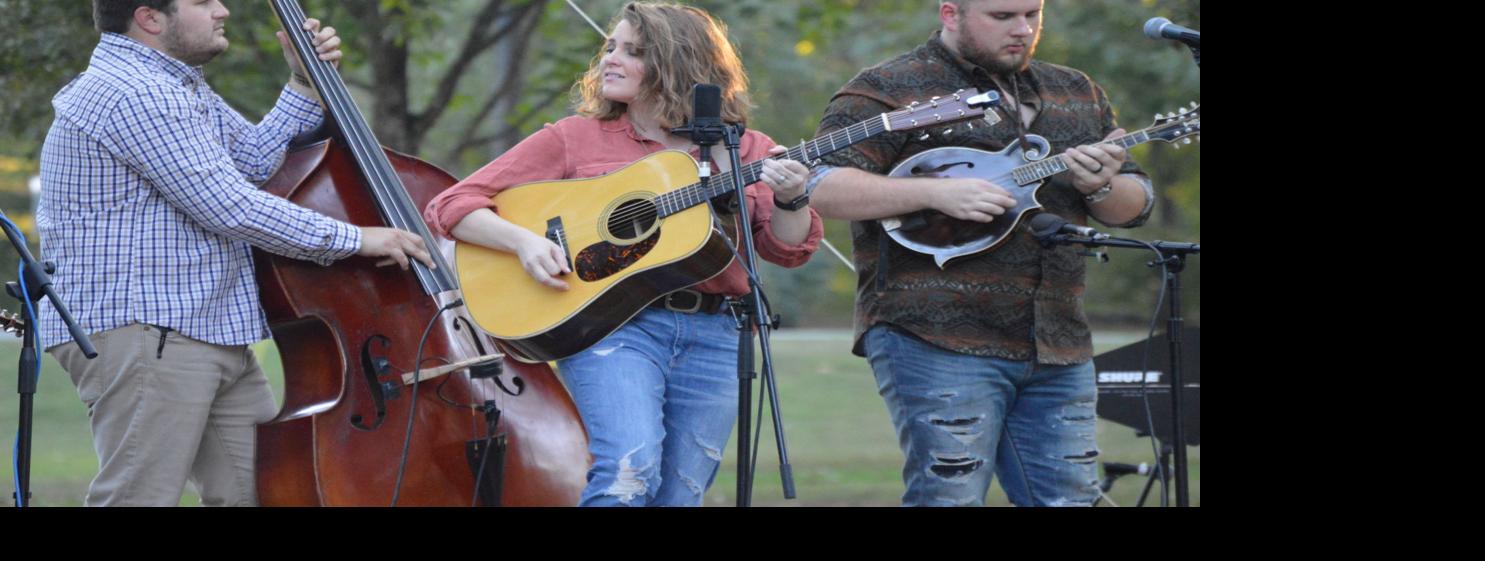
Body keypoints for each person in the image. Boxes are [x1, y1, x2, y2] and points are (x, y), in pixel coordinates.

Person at [425, 1, 823, 507]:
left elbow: (786, 251)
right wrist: (525, 243)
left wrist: (793, 198)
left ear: (678, 65)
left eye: (633, 52)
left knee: (681, 495)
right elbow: (451, 205)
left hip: (719, 333)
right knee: (627, 473)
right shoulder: (574, 138)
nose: (609, 59)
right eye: (610, 46)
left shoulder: (747, 150)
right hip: (615, 329)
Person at [37, 0, 434, 507]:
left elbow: (249, 163)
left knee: (266, 492)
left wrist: (302, 83)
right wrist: (356, 238)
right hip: (149, 330)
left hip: (200, 326)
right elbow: (230, 206)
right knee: (138, 499)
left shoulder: (174, 84)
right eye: (203, 2)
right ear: (150, 17)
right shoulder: (135, 93)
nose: (223, 10)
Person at [808, 0, 1155, 507]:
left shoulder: (1078, 92)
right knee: (948, 497)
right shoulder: (889, 86)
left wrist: (1101, 186)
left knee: (1073, 498)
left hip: (1058, 339)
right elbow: (819, 186)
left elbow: (1135, 205)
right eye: (1002, 16)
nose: (1022, 29)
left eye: (1032, 15)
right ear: (951, 14)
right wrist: (934, 194)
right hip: (934, 335)